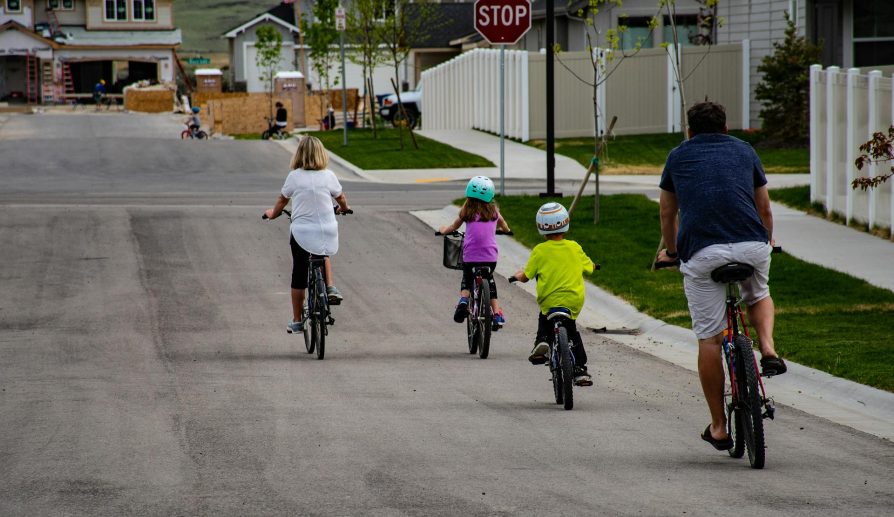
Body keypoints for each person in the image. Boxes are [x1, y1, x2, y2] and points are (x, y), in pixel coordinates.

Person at [656, 100, 786, 451]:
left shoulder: (677, 156)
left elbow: (668, 211)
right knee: (758, 294)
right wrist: (767, 239)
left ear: (689, 131)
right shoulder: (745, 151)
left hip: (702, 252)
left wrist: (671, 250)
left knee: (710, 339)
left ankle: (718, 426)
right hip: (752, 246)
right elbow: (764, 208)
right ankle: (769, 349)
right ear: (726, 128)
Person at [264, 136, 350, 333]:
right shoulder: (329, 175)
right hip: (327, 229)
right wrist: (344, 208)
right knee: (322, 251)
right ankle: (330, 287)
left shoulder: (294, 176)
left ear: (299, 154)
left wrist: (273, 214)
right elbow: (341, 197)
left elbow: (282, 200)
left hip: (302, 231)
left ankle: (296, 320)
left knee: (299, 272)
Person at [510, 202, 596, 387]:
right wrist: (593, 265)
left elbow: (526, 277)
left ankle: (542, 342)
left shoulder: (539, 251)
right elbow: (589, 267)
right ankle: (580, 370)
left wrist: (518, 275)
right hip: (572, 300)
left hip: (550, 301)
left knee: (544, 318)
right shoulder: (575, 247)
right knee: (571, 330)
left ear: (540, 226)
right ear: (566, 222)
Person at [439, 176, 511, 330]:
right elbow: (504, 225)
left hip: (471, 256)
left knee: (467, 277)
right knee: (490, 280)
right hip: (490, 258)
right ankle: (497, 313)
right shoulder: (494, 212)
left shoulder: (467, 211)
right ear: (490, 195)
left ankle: (464, 300)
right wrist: (506, 231)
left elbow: (453, 226)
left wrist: (444, 230)